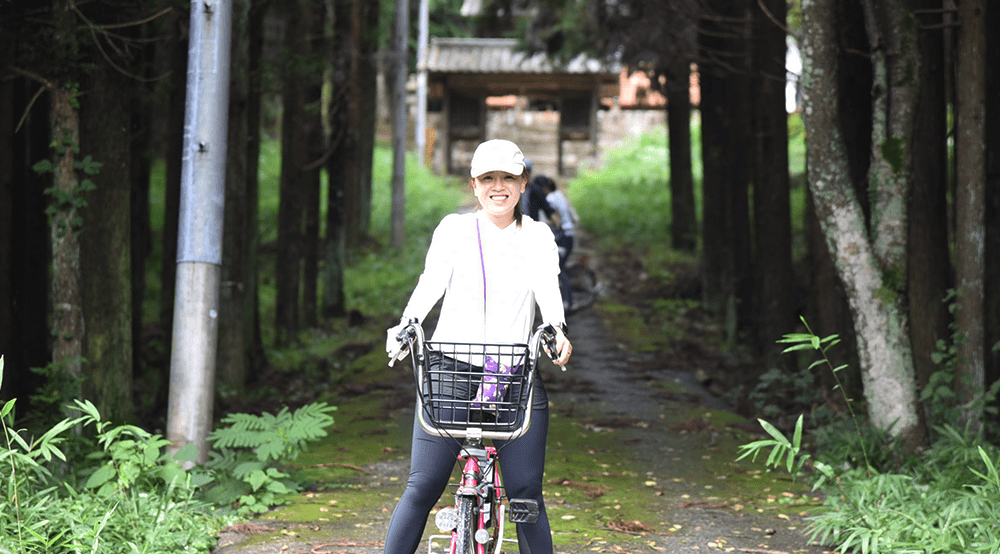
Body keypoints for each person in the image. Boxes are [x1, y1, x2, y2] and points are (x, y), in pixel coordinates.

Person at [383, 138, 572, 554]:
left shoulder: (538, 236)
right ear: (474, 184)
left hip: (513, 373)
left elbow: (548, 293)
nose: (498, 186)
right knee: (421, 487)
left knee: (526, 497)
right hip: (449, 370)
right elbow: (428, 285)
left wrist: (556, 330)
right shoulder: (453, 229)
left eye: (508, 177)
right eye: (488, 178)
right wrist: (406, 326)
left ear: (524, 185)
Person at [541, 176, 579, 312]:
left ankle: (568, 301)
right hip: (570, 235)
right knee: (561, 267)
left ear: (545, 188)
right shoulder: (560, 195)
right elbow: (574, 216)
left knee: (559, 268)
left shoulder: (550, 199)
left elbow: (555, 219)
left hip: (563, 236)